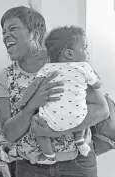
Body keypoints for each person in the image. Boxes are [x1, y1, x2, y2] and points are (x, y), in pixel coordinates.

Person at [0, 6, 109, 177]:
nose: (6, 35)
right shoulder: (4, 78)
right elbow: (9, 133)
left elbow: (101, 109)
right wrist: (32, 105)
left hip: (77, 165)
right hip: (31, 170)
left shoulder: (67, 61)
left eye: (13, 28)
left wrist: (55, 131)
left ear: (36, 33)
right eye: (4, 31)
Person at [16, 25, 102, 165]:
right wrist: (98, 80)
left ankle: (49, 156)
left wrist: (23, 101)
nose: (88, 52)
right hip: (79, 118)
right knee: (81, 107)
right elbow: (97, 85)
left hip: (52, 121)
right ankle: (80, 141)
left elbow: (33, 86)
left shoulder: (48, 68)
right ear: (69, 54)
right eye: (85, 48)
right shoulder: (84, 67)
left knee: (36, 124)